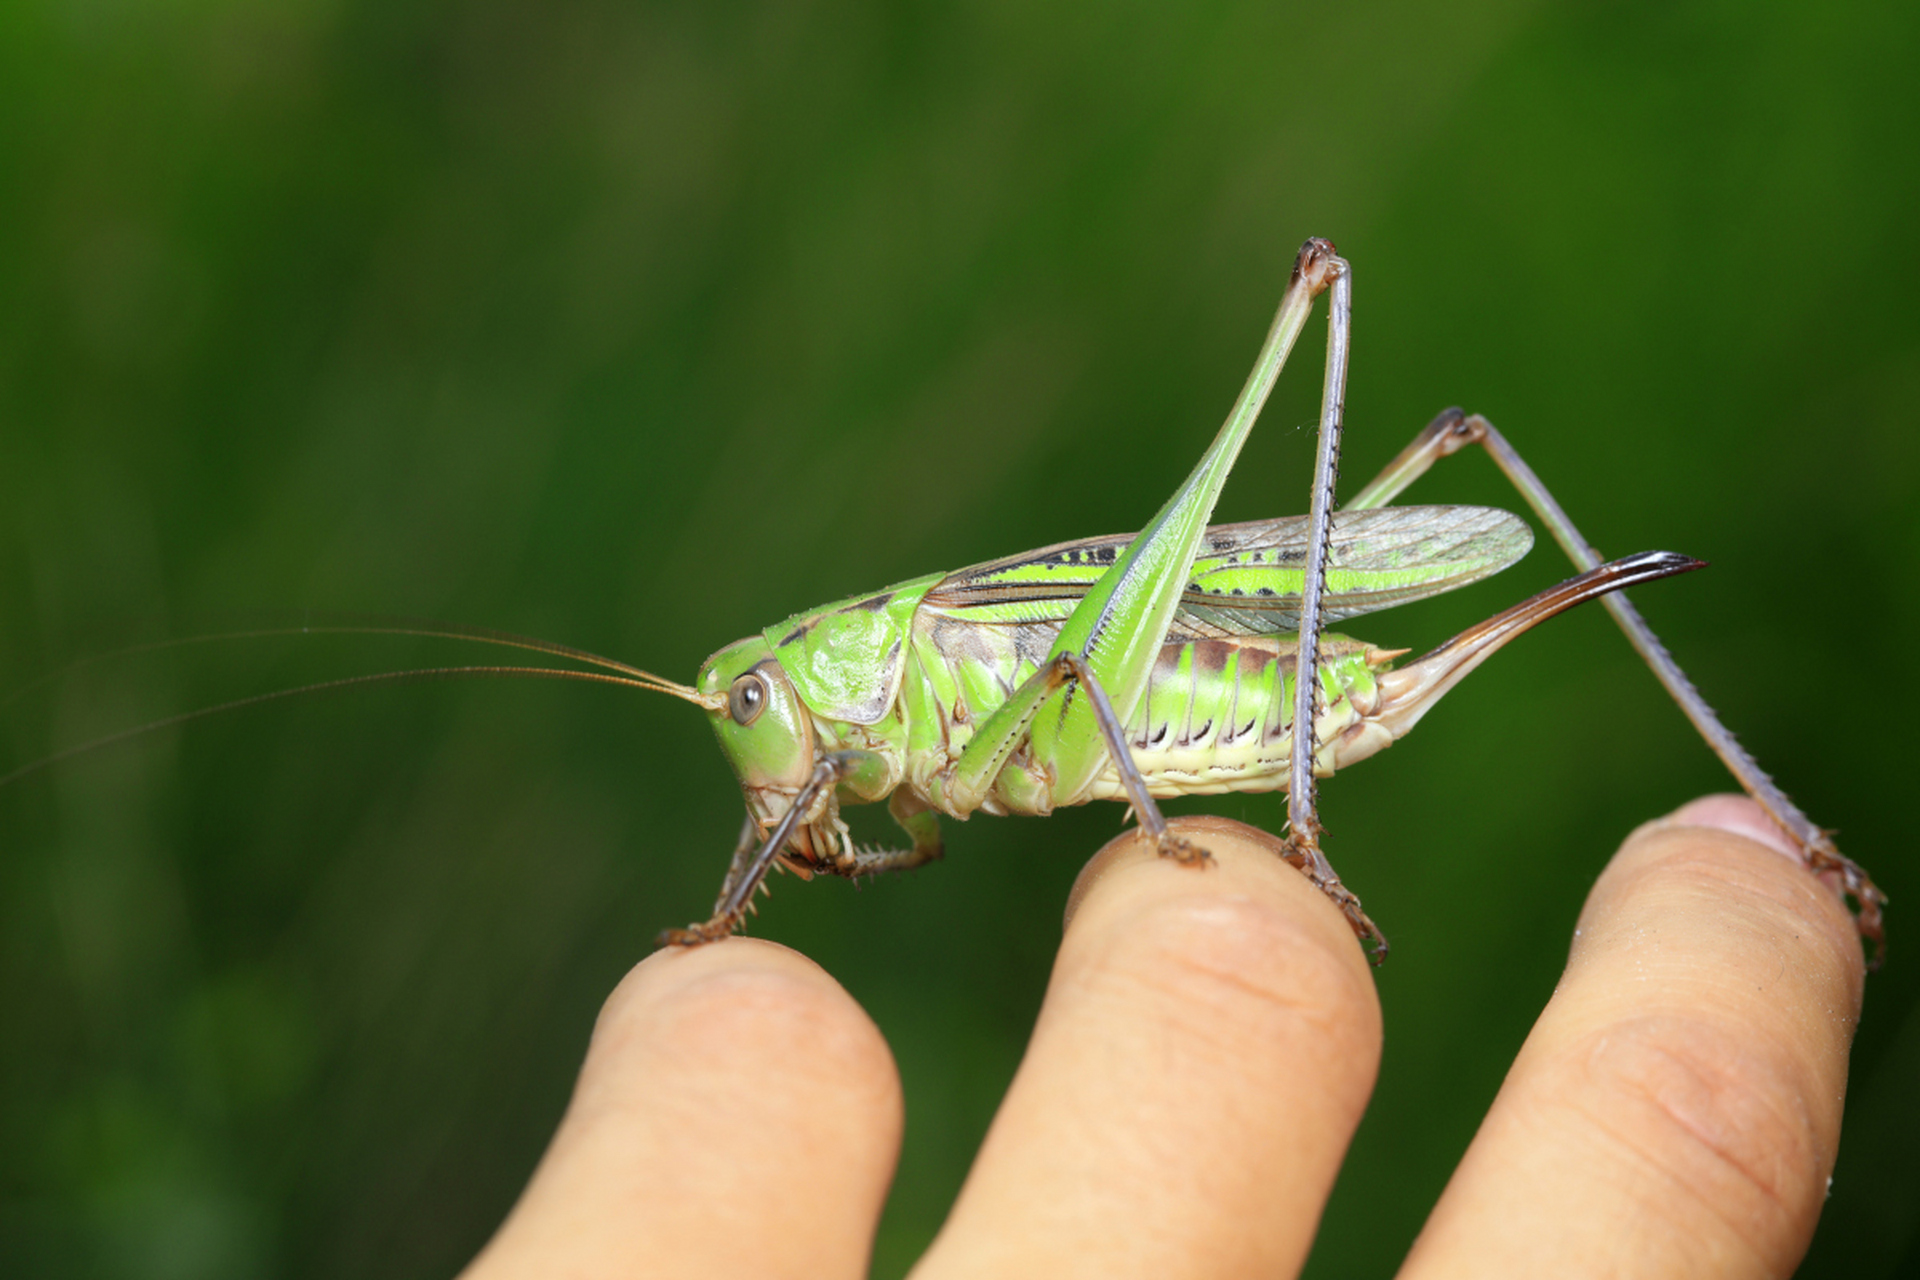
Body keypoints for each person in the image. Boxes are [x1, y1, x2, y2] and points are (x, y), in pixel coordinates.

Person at [459, 796, 1865, 1278]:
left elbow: (1074, 665)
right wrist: (804, 874)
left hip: (1138, 674)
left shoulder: (889, 669)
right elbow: (921, 848)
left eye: (757, 708)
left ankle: (1299, 821)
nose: (766, 767)